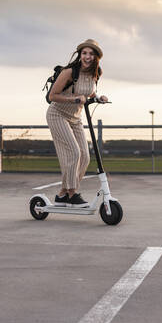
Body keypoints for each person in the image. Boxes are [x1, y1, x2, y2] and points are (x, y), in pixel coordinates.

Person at [47, 39, 109, 207]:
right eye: (84, 53)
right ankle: (73, 193)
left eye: (91, 54)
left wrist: (98, 97)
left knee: (85, 157)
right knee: (74, 152)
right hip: (57, 114)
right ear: (80, 54)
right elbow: (52, 96)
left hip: (75, 118)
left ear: (96, 57)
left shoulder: (95, 74)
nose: (87, 57)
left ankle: (63, 194)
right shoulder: (69, 72)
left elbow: (89, 92)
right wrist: (74, 98)